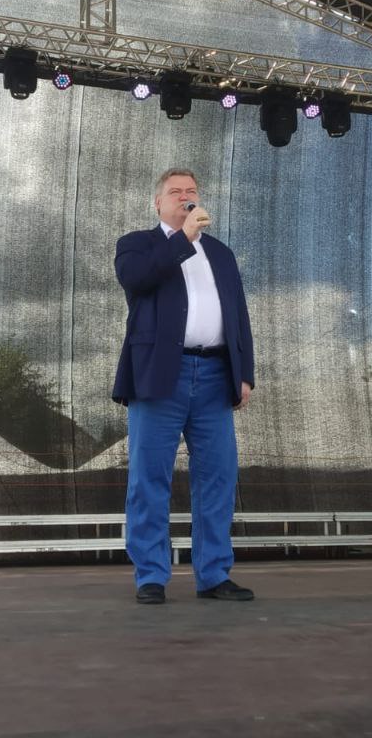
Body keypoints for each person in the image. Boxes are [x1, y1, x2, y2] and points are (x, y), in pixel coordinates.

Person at [112, 169, 255, 605]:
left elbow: (238, 313)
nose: (185, 197)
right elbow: (136, 279)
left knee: (217, 477)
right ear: (158, 203)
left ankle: (213, 574)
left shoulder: (222, 254)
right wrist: (183, 239)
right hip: (160, 376)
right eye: (175, 192)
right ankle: (151, 575)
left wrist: (244, 372)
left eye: (191, 191)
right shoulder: (138, 244)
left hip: (214, 375)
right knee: (150, 477)